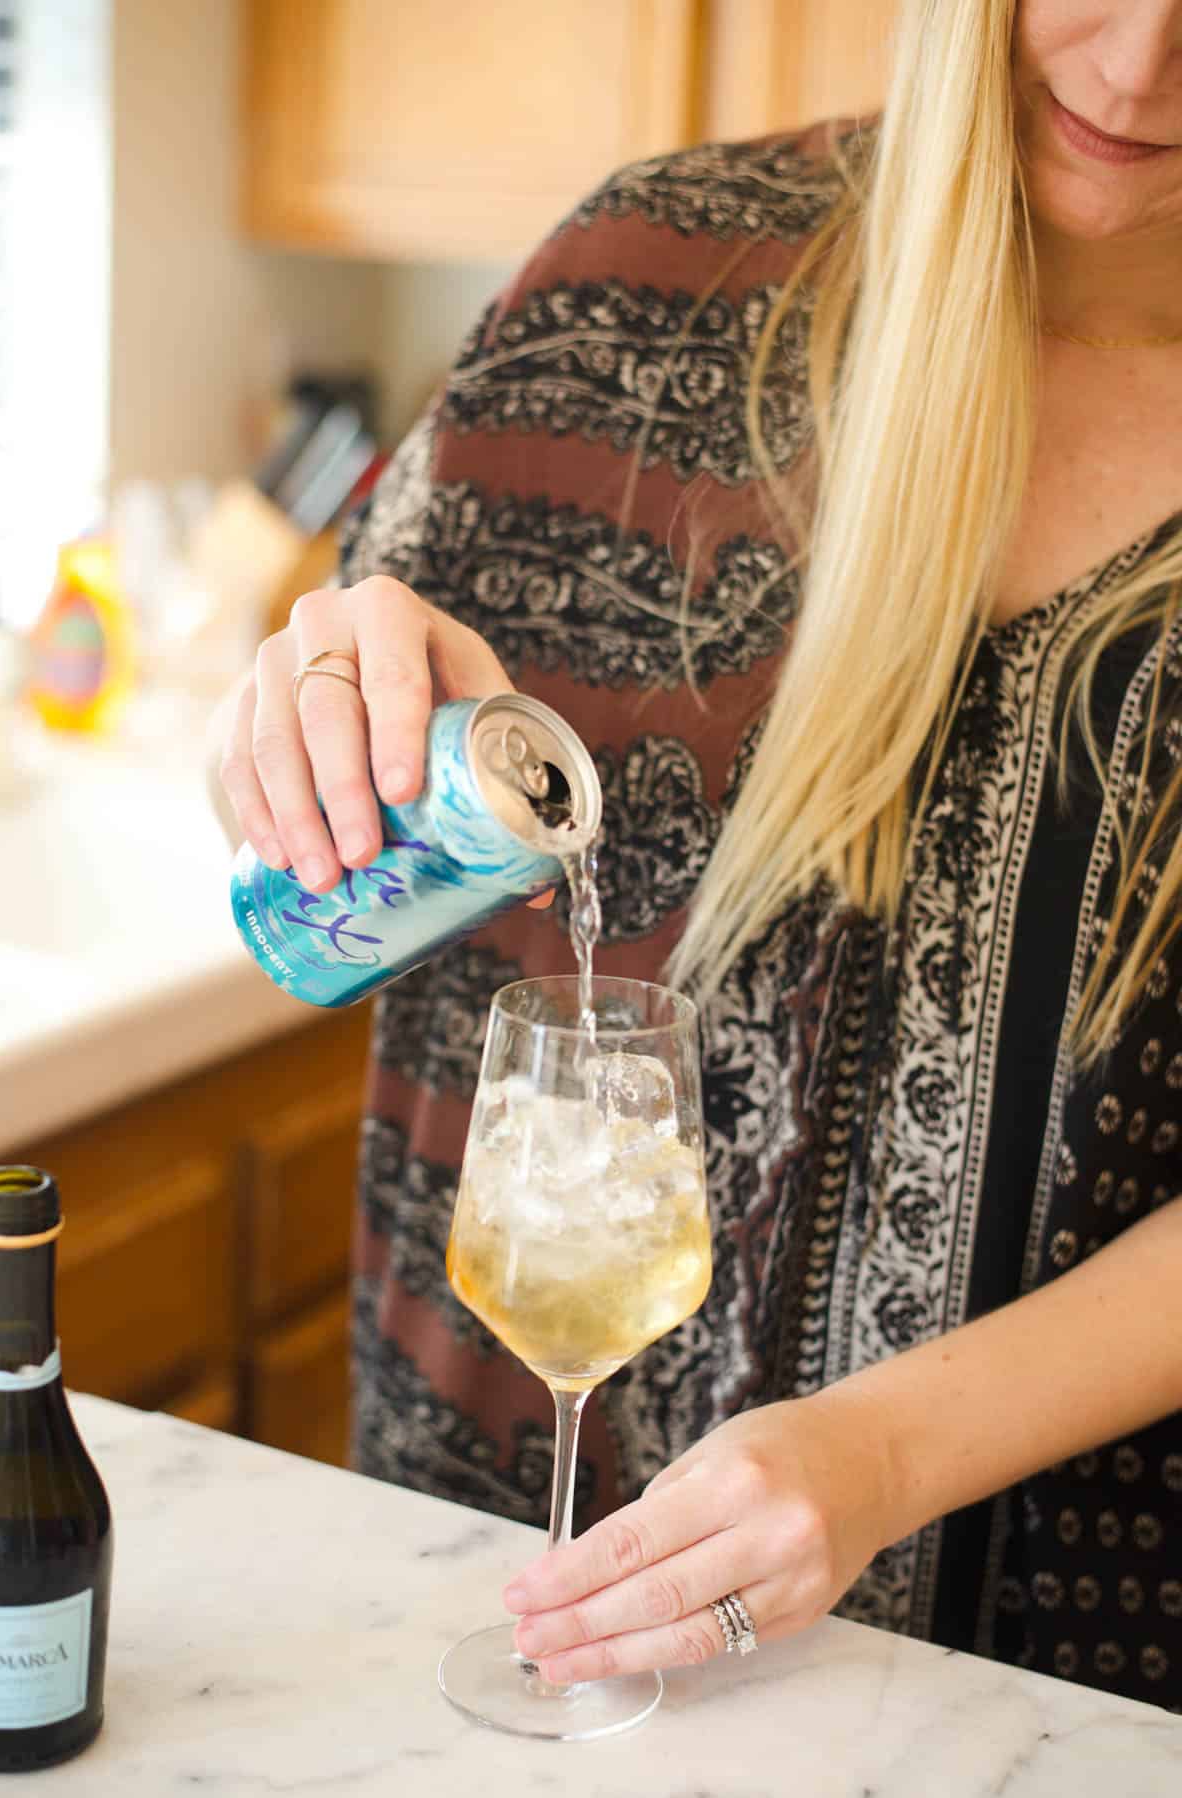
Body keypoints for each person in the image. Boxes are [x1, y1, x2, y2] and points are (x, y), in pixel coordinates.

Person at [217, 0, 1182, 1710]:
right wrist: (300, 721)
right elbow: (312, 824)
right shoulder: (634, 289)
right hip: (479, 1581)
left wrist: (883, 1454)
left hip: (1041, 1686)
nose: (1135, 69)